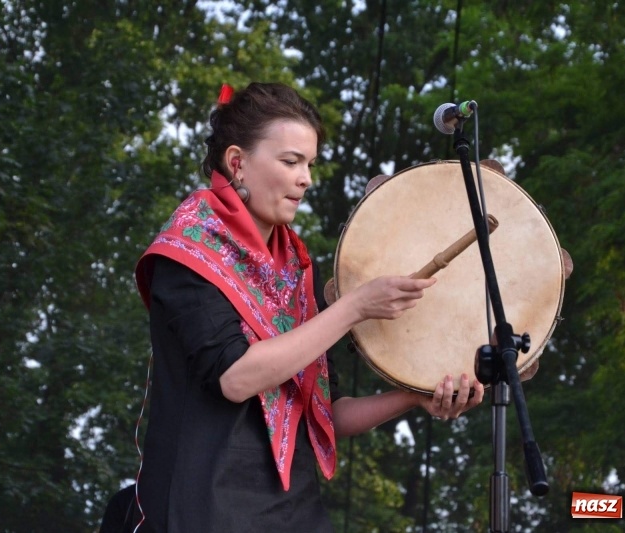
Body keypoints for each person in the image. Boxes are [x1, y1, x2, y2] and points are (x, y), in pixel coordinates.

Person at [126, 82, 485, 532]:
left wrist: (416, 395)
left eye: (310, 164)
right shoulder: (192, 247)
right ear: (237, 163)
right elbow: (236, 378)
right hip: (203, 508)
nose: (306, 179)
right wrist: (354, 307)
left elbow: (328, 413)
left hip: (292, 510)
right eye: (290, 161)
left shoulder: (295, 266)